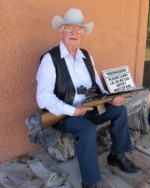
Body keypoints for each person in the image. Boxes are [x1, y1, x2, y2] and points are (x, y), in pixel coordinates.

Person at [36, 8, 139, 188]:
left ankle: (117, 155)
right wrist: (73, 110)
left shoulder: (86, 56)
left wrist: (111, 98)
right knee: (87, 130)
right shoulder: (50, 60)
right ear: (61, 32)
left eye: (79, 29)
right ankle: (90, 181)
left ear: (83, 34)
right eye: (69, 28)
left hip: (89, 108)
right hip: (64, 113)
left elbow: (97, 86)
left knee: (119, 111)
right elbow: (43, 98)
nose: (74, 33)